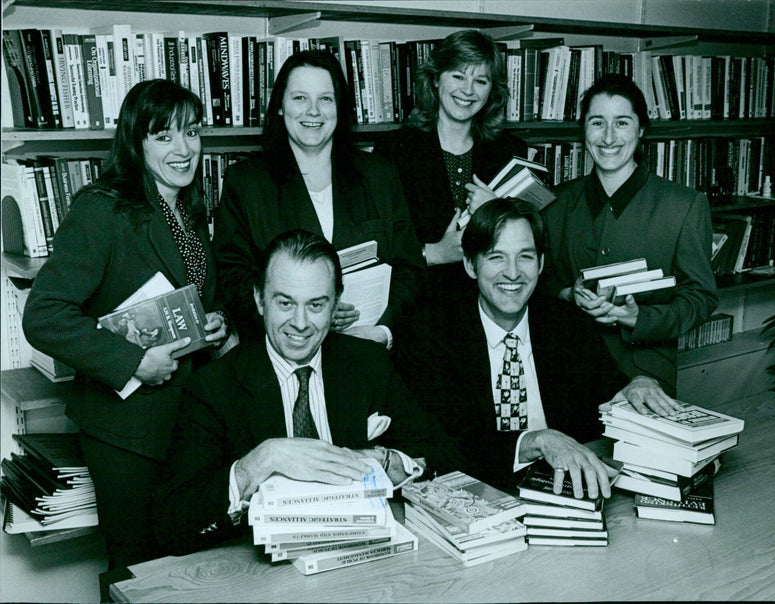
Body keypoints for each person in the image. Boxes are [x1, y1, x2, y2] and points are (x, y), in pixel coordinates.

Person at [22, 80, 228, 570]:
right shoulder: (101, 209)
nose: (184, 149)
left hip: (188, 420)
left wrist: (211, 323)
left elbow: (188, 294)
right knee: (135, 568)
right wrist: (136, 362)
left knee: (185, 562)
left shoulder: (189, 210)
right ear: (135, 143)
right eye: (164, 136)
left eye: (192, 132)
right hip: (126, 429)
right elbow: (44, 315)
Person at [154, 229, 461, 555]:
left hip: (363, 559)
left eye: (316, 304)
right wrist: (258, 462)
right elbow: (170, 524)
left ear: (335, 305)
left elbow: (448, 457)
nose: (300, 323)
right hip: (262, 576)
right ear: (260, 300)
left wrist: (387, 462)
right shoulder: (214, 386)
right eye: (285, 303)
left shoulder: (367, 363)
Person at [396, 198, 682, 497]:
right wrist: (536, 441)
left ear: (541, 263)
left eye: (525, 257)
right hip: (478, 496)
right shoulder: (430, 333)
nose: (513, 273)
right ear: (470, 264)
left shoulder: (566, 323)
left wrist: (635, 385)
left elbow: (607, 392)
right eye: (496, 257)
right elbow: (447, 444)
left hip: (567, 495)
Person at [213, 49, 423, 349]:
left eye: (326, 99)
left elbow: (410, 268)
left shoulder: (380, 174)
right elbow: (232, 279)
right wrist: (313, 310)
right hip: (280, 353)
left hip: (366, 351)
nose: (313, 111)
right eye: (300, 98)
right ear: (281, 107)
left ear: (340, 107)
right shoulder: (245, 182)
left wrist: (384, 331)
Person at [540, 73, 718, 396]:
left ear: (641, 130)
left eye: (621, 123)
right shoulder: (556, 203)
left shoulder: (685, 205)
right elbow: (541, 283)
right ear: (584, 131)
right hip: (564, 374)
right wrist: (568, 293)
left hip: (644, 377)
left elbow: (701, 298)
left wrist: (640, 318)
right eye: (597, 123)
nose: (608, 137)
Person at [374, 30, 528, 325]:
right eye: (458, 76)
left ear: (492, 91)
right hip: (415, 311)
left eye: (480, 81)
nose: (468, 90)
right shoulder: (393, 150)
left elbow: (531, 244)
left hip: (492, 311)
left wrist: (499, 213)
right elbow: (378, 247)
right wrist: (432, 253)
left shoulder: (511, 151)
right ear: (435, 79)